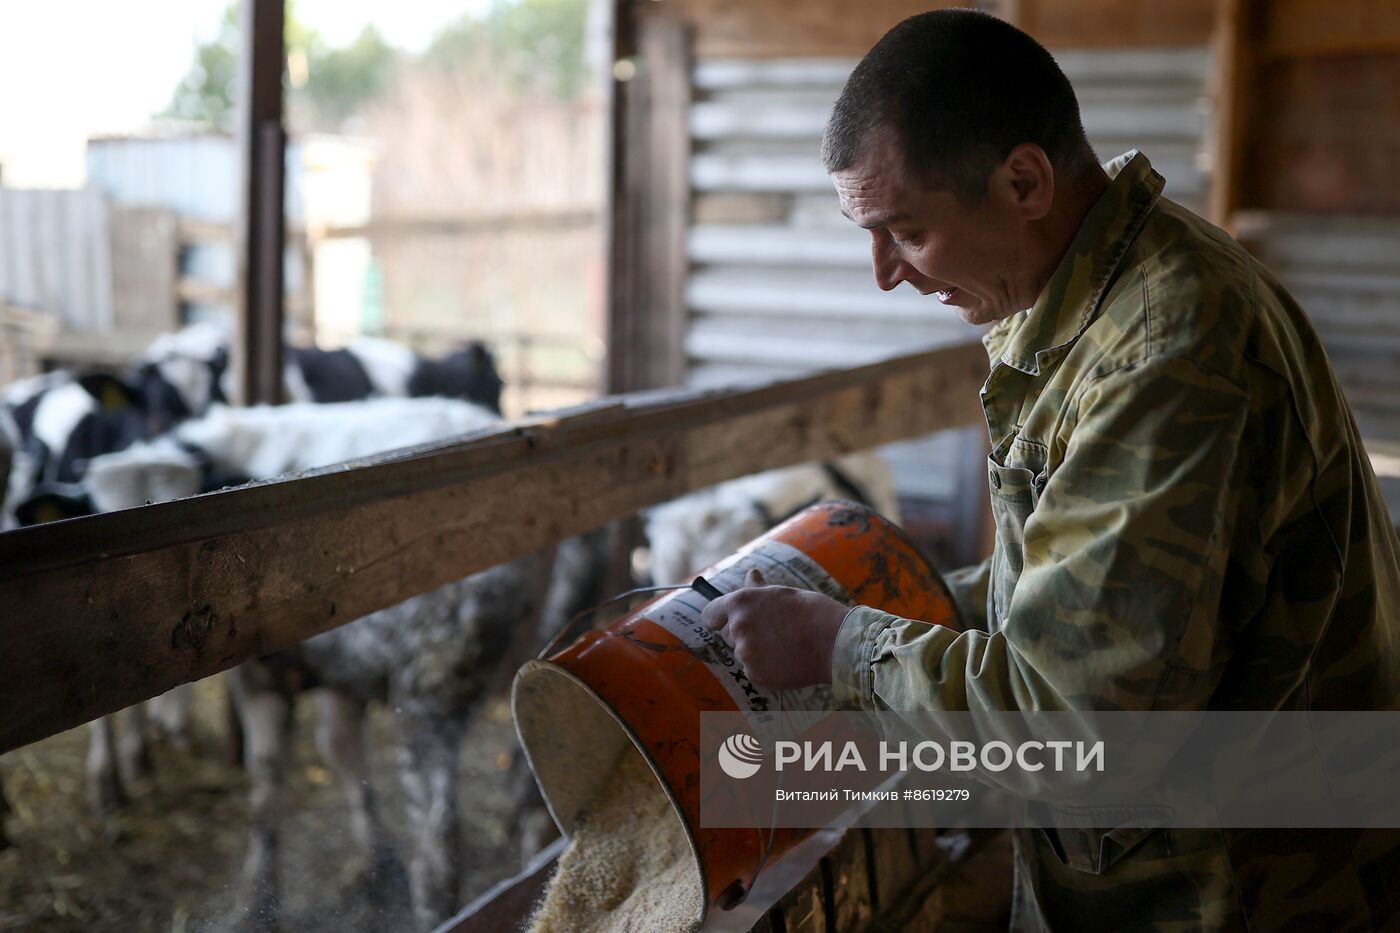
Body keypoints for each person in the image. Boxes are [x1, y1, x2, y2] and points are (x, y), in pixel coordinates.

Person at [700, 9, 1400, 931]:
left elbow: (1079, 731)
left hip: (1240, 889)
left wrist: (843, 647)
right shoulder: (1092, 301)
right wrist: (908, 601)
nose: (884, 274)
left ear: (1024, 180)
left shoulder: (1163, 354)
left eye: (904, 230)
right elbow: (1072, 587)